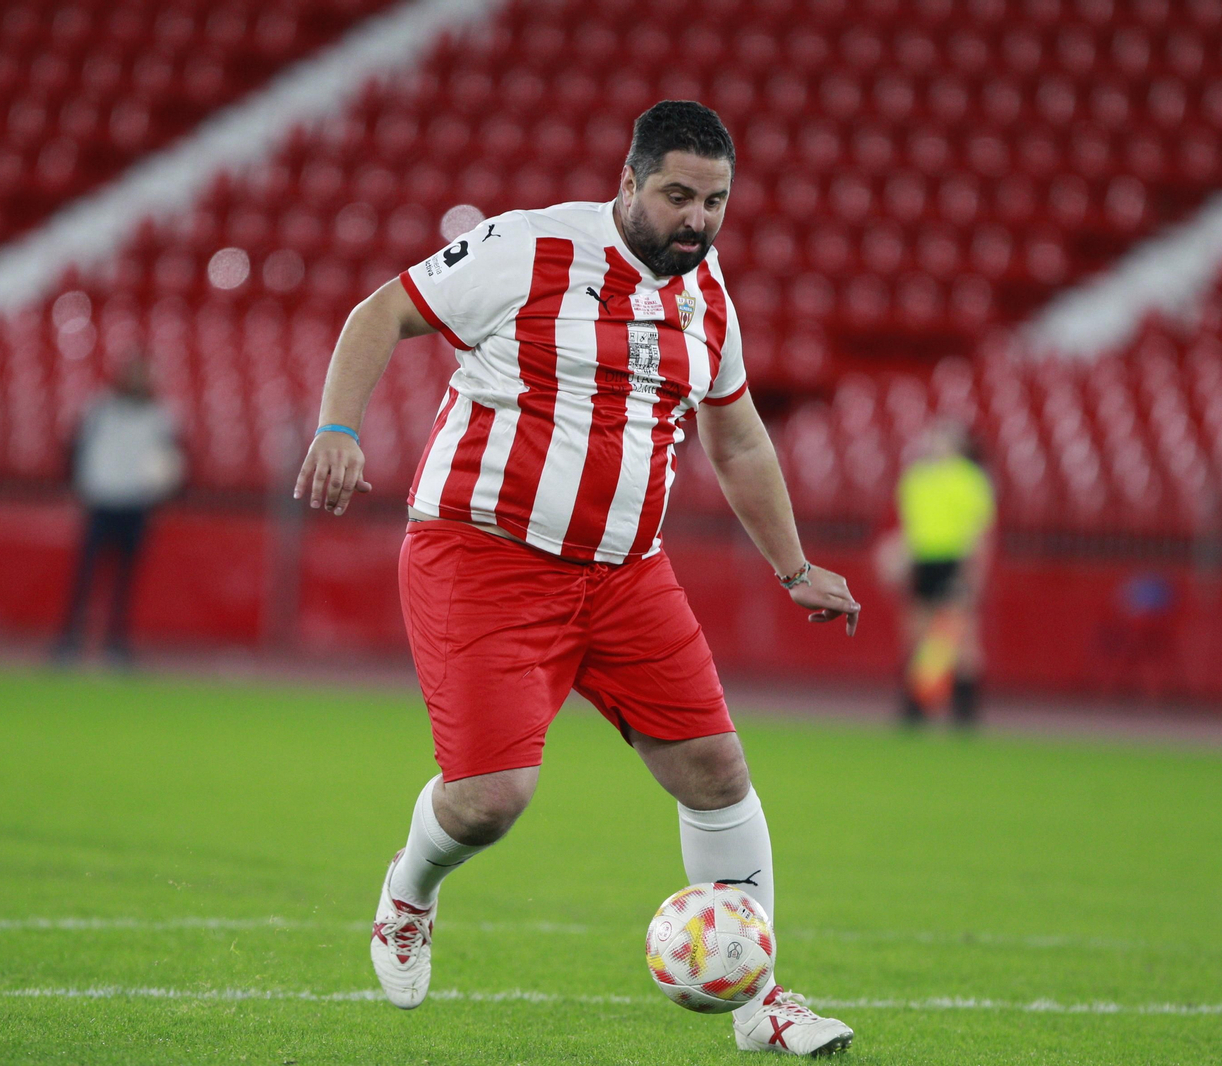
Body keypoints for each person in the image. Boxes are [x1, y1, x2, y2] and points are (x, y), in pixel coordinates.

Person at [294, 102, 860, 1056]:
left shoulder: (707, 292)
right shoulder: (528, 247)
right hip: (484, 556)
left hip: (627, 574)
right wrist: (338, 429)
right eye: (679, 196)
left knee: (718, 773)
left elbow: (738, 436)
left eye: (716, 202)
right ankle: (410, 889)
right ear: (630, 182)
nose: (698, 221)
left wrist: (794, 567)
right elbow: (380, 313)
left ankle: (759, 1003)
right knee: (489, 800)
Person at [53, 353, 183, 667]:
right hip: (101, 501)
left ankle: (116, 642)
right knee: (85, 577)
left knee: (125, 580)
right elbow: (77, 447)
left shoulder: (161, 416)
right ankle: (70, 639)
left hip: (136, 504)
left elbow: (171, 459)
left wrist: (161, 489)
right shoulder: (100, 409)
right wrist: (81, 484)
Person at [879, 421, 995, 726]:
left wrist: (972, 574)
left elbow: (978, 531)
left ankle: (965, 709)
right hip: (922, 561)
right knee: (916, 635)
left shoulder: (970, 479)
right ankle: (915, 706)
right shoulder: (915, 479)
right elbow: (911, 528)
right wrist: (899, 555)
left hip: (954, 559)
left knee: (961, 637)